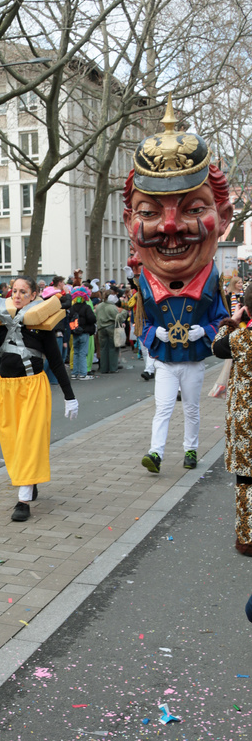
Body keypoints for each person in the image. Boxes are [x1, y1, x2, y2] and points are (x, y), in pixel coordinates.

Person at [123, 98, 233, 475]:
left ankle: (190, 450)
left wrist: (209, 331)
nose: (170, 227)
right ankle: (155, 452)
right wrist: (160, 336)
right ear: (129, 221)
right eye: (150, 213)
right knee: (164, 406)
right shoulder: (144, 283)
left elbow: (220, 320)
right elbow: (144, 326)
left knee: (192, 408)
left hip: (193, 360)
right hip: (168, 361)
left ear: (223, 217)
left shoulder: (214, 280)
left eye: (192, 208)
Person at [0, 276, 78, 521]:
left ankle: (23, 500)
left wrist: (69, 397)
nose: (17, 295)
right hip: (6, 389)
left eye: (23, 291)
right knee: (13, 442)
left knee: (30, 440)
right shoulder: (1, 321)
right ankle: (30, 480)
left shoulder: (41, 323)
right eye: (14, 290)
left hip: (33, 388)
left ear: (34, 294)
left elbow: (57, 363)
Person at [212, 282, 252, 556]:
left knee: (246, 480)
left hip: (245, 420)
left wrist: (232, 320)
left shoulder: (241, 339)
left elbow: (217, 348)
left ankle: (247, 537)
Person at [95, 292, 128, 374]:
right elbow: (118, 318)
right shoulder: (112, 307)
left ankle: (104, 368)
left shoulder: (99, 306)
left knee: (103, 348)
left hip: (101, 328)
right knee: (113, 348)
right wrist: (124, 312)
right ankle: (113, 367)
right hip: (111, 327)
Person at [69, 286, 96, 379]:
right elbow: (92, 319)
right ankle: (83, 374)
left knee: (76, 352)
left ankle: (74, 373)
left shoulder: (72, 308)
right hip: (84, 332)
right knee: (83, 353)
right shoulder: (87, 307)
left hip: (75, 332)